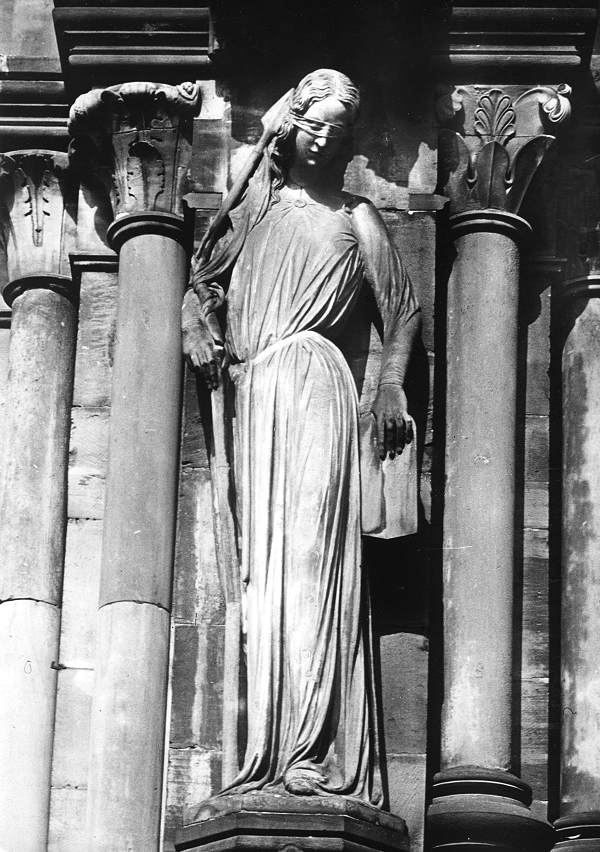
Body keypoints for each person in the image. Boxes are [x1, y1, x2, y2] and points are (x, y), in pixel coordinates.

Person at [182, 68, 420, 806]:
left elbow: (402, 309)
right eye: (314, 123)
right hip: (254, 397)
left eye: (337, 131)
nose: (322, 140)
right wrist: (195, 322)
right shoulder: (253, 209)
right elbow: (204, 278)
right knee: (263, 576)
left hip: (316, 384)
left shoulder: (356, 216)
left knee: (313, 561)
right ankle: (270, 747)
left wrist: (388, 384)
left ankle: (314, 748)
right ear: (290, 122)